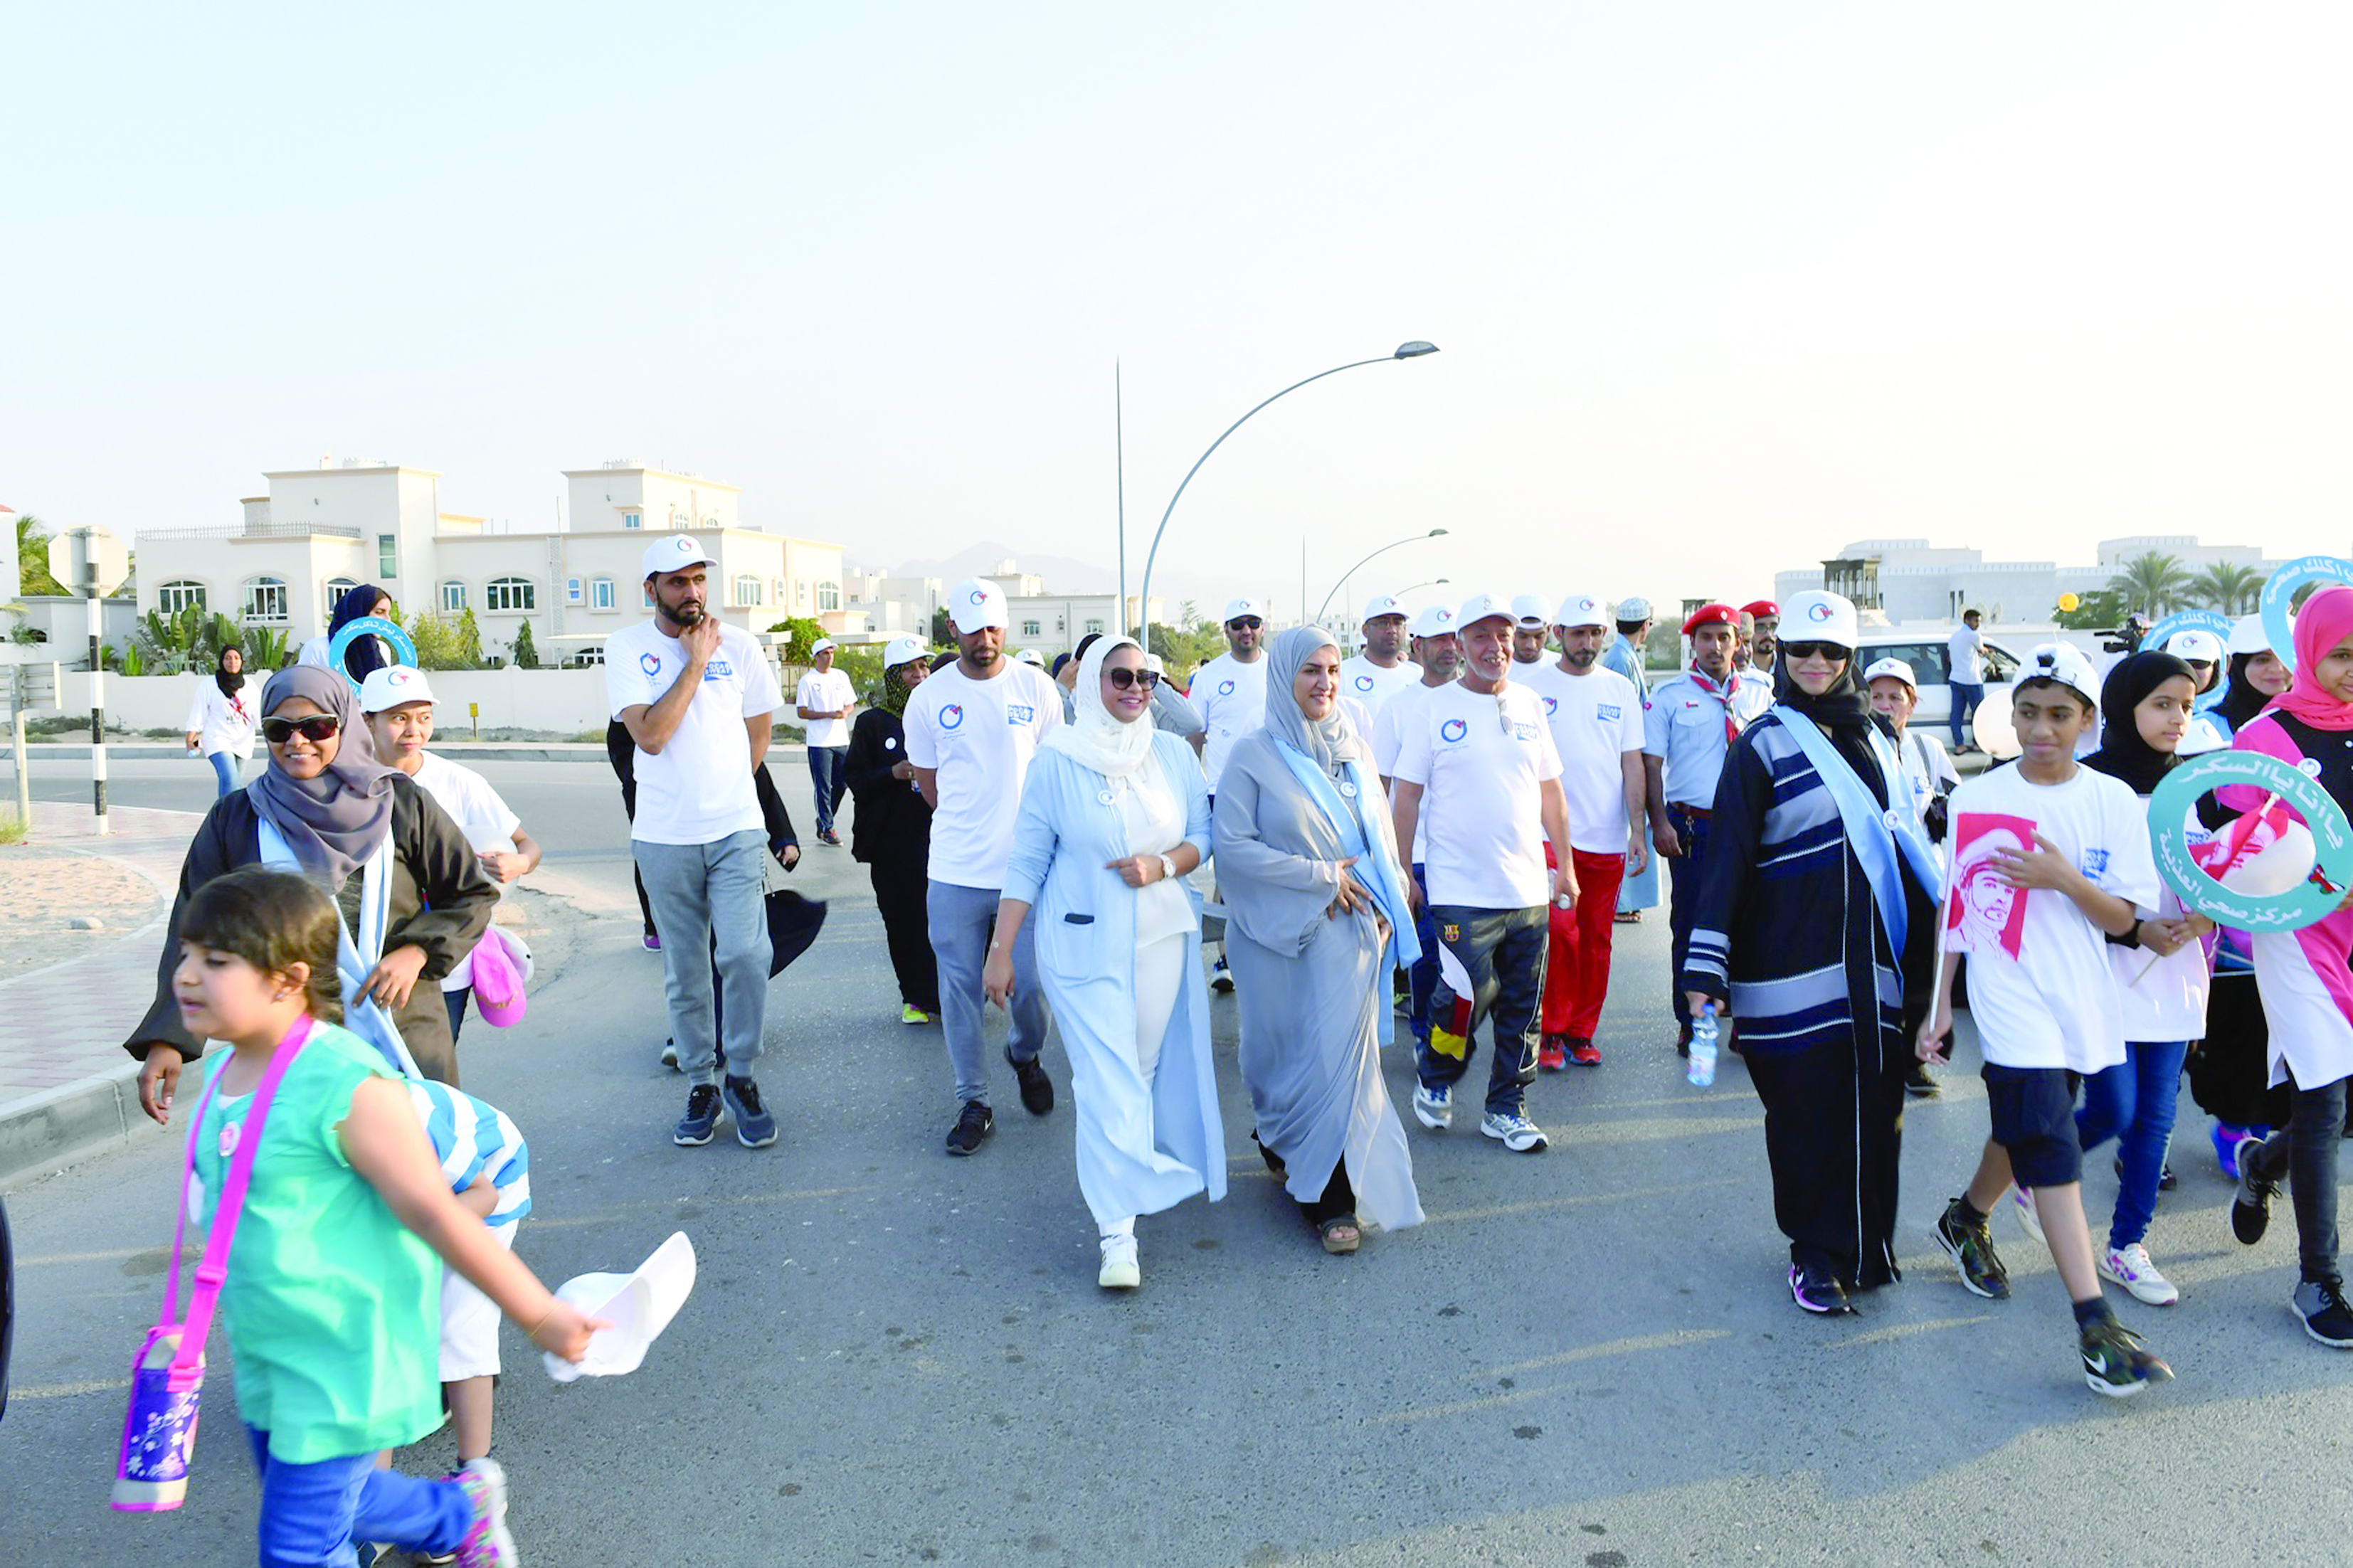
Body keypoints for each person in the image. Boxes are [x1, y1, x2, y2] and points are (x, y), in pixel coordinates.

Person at [158, 866, 595, 1563]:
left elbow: (436, 1211)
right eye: (186, 952)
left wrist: (540, 1314)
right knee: (346, 1498)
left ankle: (453, 1512)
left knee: (300, 1541)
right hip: (271, 1352)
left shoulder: (347, 1084)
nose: (186, 973)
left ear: (286, 979)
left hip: (345, 1356)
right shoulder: (224, 1075)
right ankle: (459, 1511)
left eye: (215, 960)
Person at [1919, 643, 2175, 1396]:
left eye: (2058, 714)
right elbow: (1958, 907)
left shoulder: (2110, 802)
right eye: (2026, 711)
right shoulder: (1977, 796)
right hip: (2008, 992)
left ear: (2087, 719)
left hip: (2083, 991)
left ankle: (1966, 1216)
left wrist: (2063, 878)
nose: (2040, 728)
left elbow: (2123, 916)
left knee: (2070, 1115)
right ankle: (2095, 1326)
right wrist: (1939, 1002)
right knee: (2050, 1137)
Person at [1680, 591, 1938, 1314]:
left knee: (1875, 1109)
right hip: (1787, 966)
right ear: (1782, 655)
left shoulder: (1882, 740)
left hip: (1877, 966)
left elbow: (1909, 844)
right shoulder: (1760, 743)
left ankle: (1864, 1245)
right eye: (1802, 651)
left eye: (1831, 652)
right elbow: (1725, 859)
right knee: (1804, 1113)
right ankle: (1813, 1254)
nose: (1817, 663)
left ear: (1850, 657)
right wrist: (1705, 965)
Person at [125, 666, 498, 1110]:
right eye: (279, 730)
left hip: (402, 1027)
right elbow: (195, 928)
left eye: (317, 726)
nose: (297, 742)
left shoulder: (402, 803)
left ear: (344, 724)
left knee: (419, 1166)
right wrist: (169, 1039)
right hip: (287, 1042)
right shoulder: (236, 819)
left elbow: (470, 894)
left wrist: (417, 952)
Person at [984, 637, 1222, 1288]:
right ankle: (1117, 1235)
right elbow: (1028, 860)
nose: (1136, 687)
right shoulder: (1056, 760)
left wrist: (1163, 866)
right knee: (1102, 1079)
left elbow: (1203, 836)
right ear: (1091, 682)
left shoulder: (1170, 753)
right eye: (1121, 676)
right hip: (1079, 945)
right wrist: (1001, 950)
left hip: (1160, 937)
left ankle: (1127, 1181)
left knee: (1136, 1072)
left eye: (1146, 677)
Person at [1217, 628, 1424, 1254]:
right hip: (1276, 938)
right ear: (1284, 677)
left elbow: (1378, 834)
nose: (1325, 683)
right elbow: (1233, 848)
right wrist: (1318, 877)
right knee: (1277, 1057)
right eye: (1310, 670)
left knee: (1342, 1064)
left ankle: (1328, 1194)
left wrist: (1391, 898)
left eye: (1333, 670)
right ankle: (1279, 1139)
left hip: (1352, 937)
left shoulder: (1353, 749)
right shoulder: (1252, 755)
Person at [605, 533, 786, 1151]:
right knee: (685, 970)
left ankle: (742, 1075)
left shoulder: (742, 644)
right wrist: (696, 663)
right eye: (677, 581)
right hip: (663, 836)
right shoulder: (626, 647)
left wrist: (734, 789)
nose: (692, 591)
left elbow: (758, 728)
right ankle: (702, 1084)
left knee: (744, 954)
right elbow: (650, 736)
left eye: (699, 579)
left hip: (735, 829)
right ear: (650, 588)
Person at [1390, 593, 1577, 1155]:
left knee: (1522, 1007)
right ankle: (1437, 1072)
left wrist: (1563, 865)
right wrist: (1403, 870)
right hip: (1457, 888)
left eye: (1502, 636)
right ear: (1459, 644)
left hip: (1525, 889)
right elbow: (1405, 798)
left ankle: (1506, 1108)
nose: (1493, 648)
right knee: (1462, 997)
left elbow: (1550, 792)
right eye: (1480, 637)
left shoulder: (1527, 704)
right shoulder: (1432, 708)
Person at [2220, 585, 2353, 1348]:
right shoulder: (2266, 734)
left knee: (2327, 1105)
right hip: (2300, 931)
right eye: (2338, 653)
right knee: (2325, 1092)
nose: (2350, 669)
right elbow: (2236, 838)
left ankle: (2260, 1164)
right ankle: (2316, 1278)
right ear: (2307, 652)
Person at [2071, 650, 2211, 1308]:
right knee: (2113, 1107)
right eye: (2161, 703)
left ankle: (2127, 1245)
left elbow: (2221, 875)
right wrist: (2129, 928)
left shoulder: (2197, 785)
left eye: (2185, 705)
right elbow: (2069, 887)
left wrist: (2206, 919)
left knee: (2155, 1118)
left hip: (2175, 972)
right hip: (2103, 969)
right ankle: (2022, 1171)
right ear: (2125, 705)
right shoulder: (2088, 783)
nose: (2177, 718)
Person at [906, 578, 1065, 1155]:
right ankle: (973, 1101)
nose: (986, 638)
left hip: (1026, 874)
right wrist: (970, 827)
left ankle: (1023, 1053)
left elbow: (1054, 776)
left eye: (995, 626)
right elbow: (928, 784)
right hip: (953, 872)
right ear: (953, 630)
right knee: (959, 992)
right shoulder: (927, 698)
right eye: (973, 629)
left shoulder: (1037, 689)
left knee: (1031, 987)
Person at [359, 666, 541, 1047]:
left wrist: (517, 863)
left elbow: (528, 846)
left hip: (444, 966)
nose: (413, 730)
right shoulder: (348, 783)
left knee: (427, 1078)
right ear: (367, 721)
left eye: (423, 718)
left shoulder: (461, 783)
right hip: (367, 961)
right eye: (398, 718)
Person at [1518, 594, 1647, 1069]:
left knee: (1596, 941)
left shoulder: (1619, 689)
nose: (1587, 642)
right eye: (1577, 633)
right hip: (1549, 839)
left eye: (1595, 633)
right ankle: (1550, 1029)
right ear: (1558, 635)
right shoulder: (1530, 689)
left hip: (1606, 838)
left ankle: (1580, 1032)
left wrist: (1638, 829)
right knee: (1559, 931)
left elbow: (1631, 762)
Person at [2187, 613, 2293, 1175]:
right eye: (2260, 661)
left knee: (2287, 1019)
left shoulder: (2311, 723)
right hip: (2229, 896)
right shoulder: (2209, 725)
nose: (2274, 671)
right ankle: (2234, 1125)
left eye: (2281, 659)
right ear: (2238, 667)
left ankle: (2277, 1127)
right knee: (2238, 1019)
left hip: (2302, 898)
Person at [1644, 603, 1772, 1054]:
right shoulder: (1669, 696)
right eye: (1706, 638)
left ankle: (1744, 1017)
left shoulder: (1762, 692)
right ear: (1692, 644)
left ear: (1739, 642)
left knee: (1751, 922)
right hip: (1694, 825)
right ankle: (1693, 1019)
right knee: (1694, 924)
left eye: (1724, 637)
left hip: (1752, 827)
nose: (1715, 646)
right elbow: (1651, 765)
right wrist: (1658, 822)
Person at [401, 1074, 532, 1486]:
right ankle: (370, 1499)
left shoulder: (401, 1121)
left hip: (489, 1179)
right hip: (414, 1196)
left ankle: (476, 1478)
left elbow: (483, 1195)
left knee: (461, 1324)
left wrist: (412, 1237)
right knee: (381, 1336)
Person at [1864, 655, 1962, 1099]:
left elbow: (1959, 801)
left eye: (1895, 698)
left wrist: (1945, 808)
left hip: (1924, 877)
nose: (1885, 706)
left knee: (1922, 973)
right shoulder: (1857, 747)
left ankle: (1914, 1062)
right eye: (1876, 696)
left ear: (1912, 703)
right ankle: (1871, 1059)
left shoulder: (1928, 749)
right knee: (1874, 971)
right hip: (1874, 876)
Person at [1373, 605, 1460, 1051]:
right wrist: (1394, 859)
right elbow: (1382, 786)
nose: (1448, 648)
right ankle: (1427, 1032)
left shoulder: (1483, 700)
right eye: (1438, 639)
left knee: (1465, 957)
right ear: (1418, 647)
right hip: (1419, 855)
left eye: (1454, 638)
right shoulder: (1398, 708)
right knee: (1427, 953)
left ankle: (1451, 1034)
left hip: (1467, 856)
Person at [846, 636, 941, 1025]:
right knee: (904, 920)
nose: (918, 676)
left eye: (923, 667)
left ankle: (951, 993)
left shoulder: (944, 713)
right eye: (908, 669)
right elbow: (854, 776)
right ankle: (916, 997)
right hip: (892, 842)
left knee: (948, 920)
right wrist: (893, 773)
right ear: (893, 676)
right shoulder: (873, 723)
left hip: (941, 836)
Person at [1188, 598, 1271, 990]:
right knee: (1230, 875)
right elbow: (1195, 735)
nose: (1246, 631)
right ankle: (1225, 959)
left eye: (1253, 623)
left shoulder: (1279, 670)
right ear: (1227, 631)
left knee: (1271, 875)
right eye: (1238, 625)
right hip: (1222, 791)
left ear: (1262, 627)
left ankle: (1266, 952)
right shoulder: (1209, 676)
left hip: (1273, 790)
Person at [1602, 598, 1662, 926]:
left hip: (1630, 750)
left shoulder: (1624, 655)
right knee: (1626, 825)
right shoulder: (1620, 659)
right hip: (1623, 754)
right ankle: (1621, 902)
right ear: (1646, 625)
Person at [605, 718, 662, 950]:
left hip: (691, 783)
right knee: (649, 850)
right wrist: (635, 778)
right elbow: (618, 743)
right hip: (644, 785)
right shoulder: (638, 685)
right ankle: (653, 927)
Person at [795, 637, 857, 846]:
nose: (829, 656)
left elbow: (850, 704)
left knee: (842, 782)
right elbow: (801, 711)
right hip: (819, 742)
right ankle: (828, 828)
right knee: (823, 787)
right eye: (825, 653)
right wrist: (828, 714)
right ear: (816, 657)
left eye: (831, 652)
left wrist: (845, 712)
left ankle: (823, 821)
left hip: (841, 740)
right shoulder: (808, 681)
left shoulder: (841, 676)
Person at [184, 645, 257, 798]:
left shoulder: (249, 685)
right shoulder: (209, 685)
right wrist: (190, 739)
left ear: (242, 661)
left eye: (236, 658)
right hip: (218, 739)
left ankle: (225, 816)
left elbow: (258, 712)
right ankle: (227, 818)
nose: (233, 662)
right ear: (222, 661)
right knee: (230, 779)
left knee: (235, 785)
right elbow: (199, 712)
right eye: (228, 658)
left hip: (243, 741)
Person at [1337, 593, 1423, 716]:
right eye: (1383, 623)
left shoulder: (1417, 678)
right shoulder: (1343, 674)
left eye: (1398, 623)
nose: (1392, 630)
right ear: (1365, 631)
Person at [298, 583, 397, 680]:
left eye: (388, 613)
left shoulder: (383, 649)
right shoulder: (318, 649)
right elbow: (303, 688)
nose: (387, 620)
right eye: (379, 612)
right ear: (358, 613)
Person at [2159, 629, 2228, 754]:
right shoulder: (2151, 711)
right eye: (2182, 663)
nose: (2190, 670)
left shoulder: (2229, 717)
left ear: (2216, 667)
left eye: (2199, 664)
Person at [1947, 608, 1987, 753]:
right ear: (1967, 620)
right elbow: (1982, 651)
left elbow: (1951, 657)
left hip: (1955, 679)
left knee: (1956, 713)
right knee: (1978, 713)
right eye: (1976, 621)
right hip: (1972, 680)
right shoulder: (1974, 636)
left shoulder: (1954, 637)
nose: (1978, 624)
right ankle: (1978, 743)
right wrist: (1987, 651)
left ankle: (1959, 745)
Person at [1509, 595, 1550, 667]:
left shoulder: (1564, 668)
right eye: (1523, 636)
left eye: (1539, 636)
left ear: (1549, 630)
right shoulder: (1493, 670)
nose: (1531, 645)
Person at [1742, 600, 1780, 676]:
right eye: (1760, 628)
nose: (1769, 634)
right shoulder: (1739, 670)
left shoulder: (1788, 668)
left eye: (1774, 627)